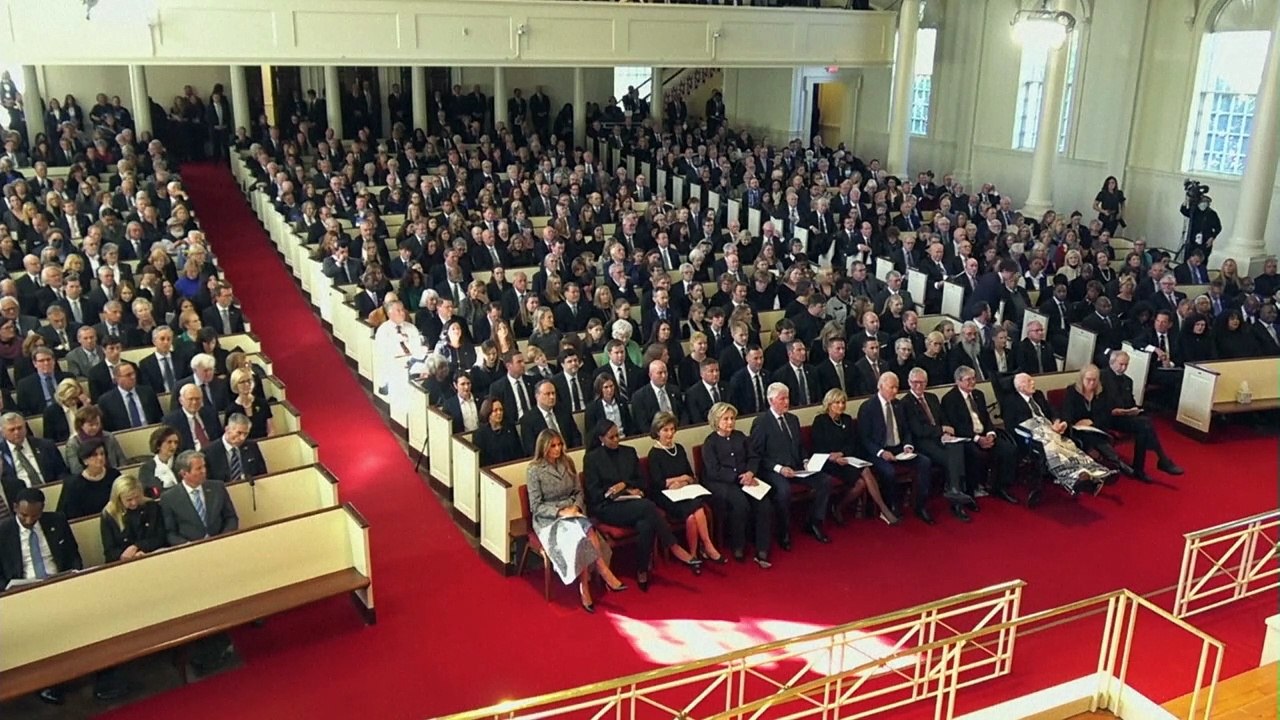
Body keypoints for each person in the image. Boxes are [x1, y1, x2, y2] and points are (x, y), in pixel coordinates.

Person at [583, 419, 702, 591]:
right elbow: (593, 494)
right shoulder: (592, 459)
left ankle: (641, 570)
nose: (616, 440)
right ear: (601, 439)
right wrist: (615, 491)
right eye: (611, 437)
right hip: (607, 507)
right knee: (648, 507)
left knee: (646, 523)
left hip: (633, 504)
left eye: (618, 435)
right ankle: (674, 546)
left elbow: (642, 482)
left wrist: (626, 487)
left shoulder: (628, 452)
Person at [0, 487, 92, 704]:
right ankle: (47, 682)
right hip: (21, 591)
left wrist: (72, 576)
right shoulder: (3, 532)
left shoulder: (57, 521)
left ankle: (90, 671)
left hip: (58, 582)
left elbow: (73, 555)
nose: (29, 520)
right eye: (24, 515)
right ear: (15, 508)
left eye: (35, 515)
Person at [525, 429, 626, 612]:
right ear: (544, 448)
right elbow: (536, 506)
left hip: (573, 511)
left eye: (559, 445)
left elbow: (579, 492)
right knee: (579, 539)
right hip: (549, 518)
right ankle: (593, 580)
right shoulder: (534, 470)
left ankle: (594, 579)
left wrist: (576, 508)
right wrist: (560, 512)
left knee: (587, 530)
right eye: (553, 446)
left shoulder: (568, 462)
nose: (557, 449)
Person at [1003, 373, 1111, 506]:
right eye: (1029, 381)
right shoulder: (1010, 401)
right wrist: (1035, 429)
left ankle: (1095, 471)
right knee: (1053, 449)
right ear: (1020, 386)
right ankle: (1074, 478)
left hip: (1049, 430)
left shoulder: (1038, 395)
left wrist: (1057, 421)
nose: (1033, 382)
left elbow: (1052, 411)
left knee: (1069, 445)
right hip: (1030, 435)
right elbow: (1011, 426)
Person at [750, 382, 833, 545]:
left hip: (796, 468)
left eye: (787, 398)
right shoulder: (761, 422)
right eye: (782, 399)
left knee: (825, 481)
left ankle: (814, 522)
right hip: (773, 471)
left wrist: (805, 460)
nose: (786, 402)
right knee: (784, 491)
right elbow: (757, 455)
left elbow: (800, 446)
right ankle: (783, 531)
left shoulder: (793, 419)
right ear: (771, 401)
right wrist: (779, 469)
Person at [700, 402, 775, 568]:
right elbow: (713, 470)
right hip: (721, 482)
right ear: (716, 420)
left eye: (732, 418)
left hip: (745, 478)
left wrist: (750, 473)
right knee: (740, 504)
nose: (730, 422)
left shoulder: (740, 437)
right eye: (725, 419)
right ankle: (738, 545)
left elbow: (753, 458)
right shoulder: (710, 442)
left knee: (764, 504)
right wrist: (737, 477)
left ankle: (762, 547)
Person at [810, 389, 900, 525]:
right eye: (837, 402)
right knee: (862, 478)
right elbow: (817, 447)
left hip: (846, 460)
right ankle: (885, 510)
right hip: (828, 463)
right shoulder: (820, 421)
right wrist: (832, 457)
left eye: (843, 402)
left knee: (862, 479)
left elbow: (853, 443)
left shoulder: (846, 419)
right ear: (829, 403)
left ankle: (839, 507)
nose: (841, 405)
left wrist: (842, 454)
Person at [856, 372, 934, 523]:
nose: (895, 391)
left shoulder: (898, 404)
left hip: (899, 449)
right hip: (877, 451)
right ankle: (891, 506)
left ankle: (920, 505)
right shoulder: (868, 407)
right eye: (891, 387)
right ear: (881, 387)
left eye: (896, 387)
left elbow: (906, 430)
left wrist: (908, 445)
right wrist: (881, 452)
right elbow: (864, 439)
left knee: (924, 462)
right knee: (889, 471)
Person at [901, 369, 977, 523]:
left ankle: (959, 492)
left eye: (922, 382)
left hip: (940, 438)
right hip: (922, 442)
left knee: (959, 448)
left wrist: (946, 431)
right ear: (909, 383)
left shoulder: (932, 397)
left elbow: (944, 418)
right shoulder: (906, 402)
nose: (919, 385)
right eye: (915, 382)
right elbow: (918, 430)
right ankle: (955, 497)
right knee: (949, 458)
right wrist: (941, 430)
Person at [646, 412, 723, 563]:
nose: (670, 433)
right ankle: (707, 546)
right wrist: (680, 480)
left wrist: (682, 482)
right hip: (665, 496)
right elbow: (659, 482)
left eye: (672, 429)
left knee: (692, 517)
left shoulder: (679, 449)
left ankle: (694, 554)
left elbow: (689, 475)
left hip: (684, 491)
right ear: (657, 432)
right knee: (697, 508)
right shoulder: (654, 454)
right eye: (665, 430)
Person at [941, 366, 1020, 505]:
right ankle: (971, 490)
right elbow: (957, 426)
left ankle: (1000, 486)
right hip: (967, 438)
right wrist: (977, 439)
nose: (972, 382)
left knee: (1009, 449)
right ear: (958, 381)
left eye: (974, 378)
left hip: (984, 434)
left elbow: (987, 418)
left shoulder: (979, 394)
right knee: (975, 453)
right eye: (968, 380)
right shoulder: (950, 399)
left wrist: (990, 434)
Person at [1101, 350, 1184, 481]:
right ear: (1112, 362)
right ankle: (1159, 460)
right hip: (1108, 417)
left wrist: (1134, 410)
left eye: (1126, 365)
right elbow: (1098, 403)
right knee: (1145, 425)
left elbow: (1131, 402)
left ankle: (1141, 468)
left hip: (1124, 416)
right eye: (1121, 364)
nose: (1123, 368)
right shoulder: (1102, 377)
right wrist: (1114, 410)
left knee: (1144, 426)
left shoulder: (1127, 381)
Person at [1063, 364, 1134, 477]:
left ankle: (1106, 462)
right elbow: (1067, 412)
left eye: (1094, 380)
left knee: (1095, 436)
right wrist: (1073, 423)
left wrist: (1092, 422)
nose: (1092, 383)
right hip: (1078, 429)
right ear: (1082, 379)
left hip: (1097, 427)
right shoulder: (1072, 391)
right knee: (1090, 438)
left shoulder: (1102, 392)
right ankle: (1116, 462)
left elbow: (1106, 414)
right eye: (1088, 380)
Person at [100, 474, 166, 562]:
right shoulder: (109, 515)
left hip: (152, 555)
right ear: (118, 498)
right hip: (124, 562)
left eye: (137, 497)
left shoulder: (151, 506)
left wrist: (137, 547)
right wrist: (129, 556)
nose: (134, 503)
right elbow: (109, 551)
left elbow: (160, 537)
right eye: (129, 499)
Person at [57, 438, 121, 519]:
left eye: (102, 454)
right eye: (95, 455)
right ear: (85, 460)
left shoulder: (114, 475)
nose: (100, 458)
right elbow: (68, 514)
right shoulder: (72, 484)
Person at [519, 379, 580, 456]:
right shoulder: (527, 420)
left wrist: (574, 452)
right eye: (547, 394)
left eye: (553, 393)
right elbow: (531, 448)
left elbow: (576, 436)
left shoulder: (563, 412)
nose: (552, 397)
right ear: (537, 396)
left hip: (569, 455)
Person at [204, 413, 267, 482]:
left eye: (245, 434)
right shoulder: (209, 452)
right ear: (227, 429)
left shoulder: (252, 447)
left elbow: (262, 475)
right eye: (239, 433)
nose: (242, 438)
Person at [474, 399, 523, 466]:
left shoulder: (510, 428)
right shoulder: (480, 434)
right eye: (495, 410)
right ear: (488, 413)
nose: (499, 413)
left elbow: (519, 452)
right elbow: (482, 460)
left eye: (501, 410)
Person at [138, 426, 183, 498]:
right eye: (169, 442)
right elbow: (148, 494)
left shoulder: (182, 462)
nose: (174, 446)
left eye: (176, 442)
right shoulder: (146, 469)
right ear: (158, 445)